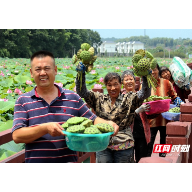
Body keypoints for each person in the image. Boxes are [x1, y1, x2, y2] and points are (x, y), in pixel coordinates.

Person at [11, 50, 119, 163]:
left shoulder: (72, 97)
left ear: (55, 70)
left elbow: (92, 120)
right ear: (31, 73)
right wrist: (45, 128)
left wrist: (108, 123)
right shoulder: (23, 101)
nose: (42, 73)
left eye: (47, 68)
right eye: (38, 69)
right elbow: (17, 136)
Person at [75, 65, 151, 163]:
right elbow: (82, 92)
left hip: (123, 143)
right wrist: (81, 75)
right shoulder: (99, 98)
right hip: (103, 143)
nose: (113, 88)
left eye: (116, 84)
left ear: (121, 84)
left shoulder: (129, 98)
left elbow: (144, 94)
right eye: (109, 85)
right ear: (105, 86)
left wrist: (145, 77)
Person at [121, 70, 159, 163]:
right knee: (127, 160)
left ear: (135, 81)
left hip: (142, 132)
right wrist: (138, 110)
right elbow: (122, 116)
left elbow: (149, 115)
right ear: (122, 83)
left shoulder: (142, 96)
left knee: (142, 159)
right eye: (126, 80)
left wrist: (156, 111)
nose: (129, 81)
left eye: (131, 79)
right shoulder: (120, 97)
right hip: (127, 135)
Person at [146, 63, 182, 157]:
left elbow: (175, 97)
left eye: (155, 69)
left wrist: (181, 105)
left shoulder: (166, 82)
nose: (153, 72)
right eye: (150, 70)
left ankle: (163, 159)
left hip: (165, 120)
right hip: (151, 121)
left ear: (158, 70)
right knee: (149, 146)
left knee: (163, 147)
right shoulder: (145, 85)